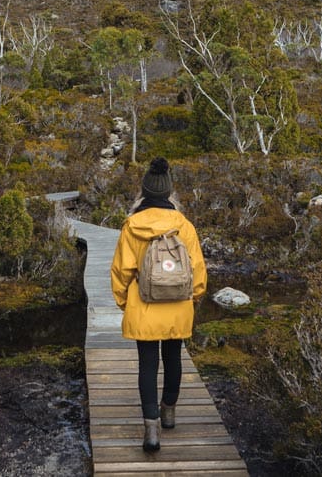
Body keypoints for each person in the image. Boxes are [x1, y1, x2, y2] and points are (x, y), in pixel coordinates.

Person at [109, 157, 207, 453]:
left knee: (148, 364)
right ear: (169, 192)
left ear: (144, 191)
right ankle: (169, 413)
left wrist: (125, 303)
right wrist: (194, 297)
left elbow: (121, 270)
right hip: (178, 303)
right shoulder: (184, 226)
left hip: (145, 305)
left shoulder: (131, 226)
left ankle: (151, 430)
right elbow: (198, 270)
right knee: (174, 357)